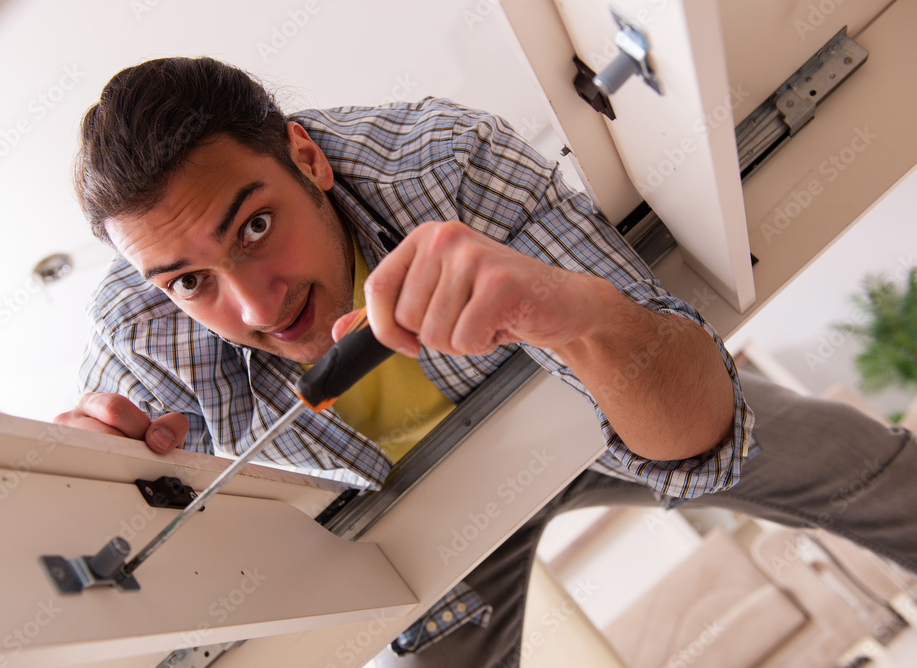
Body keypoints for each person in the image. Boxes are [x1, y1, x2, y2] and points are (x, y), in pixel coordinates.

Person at [56, 57, 917, 666]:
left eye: (253, 226)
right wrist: (94, 499)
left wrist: (562, 306)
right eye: (189, 282)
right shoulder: (139, 340)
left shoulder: (442, 159)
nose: (254, 306)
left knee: (871, 471)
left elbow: (697, 433)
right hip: (421, 547)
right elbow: (137, 582)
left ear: (307, 157)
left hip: (589, 415)